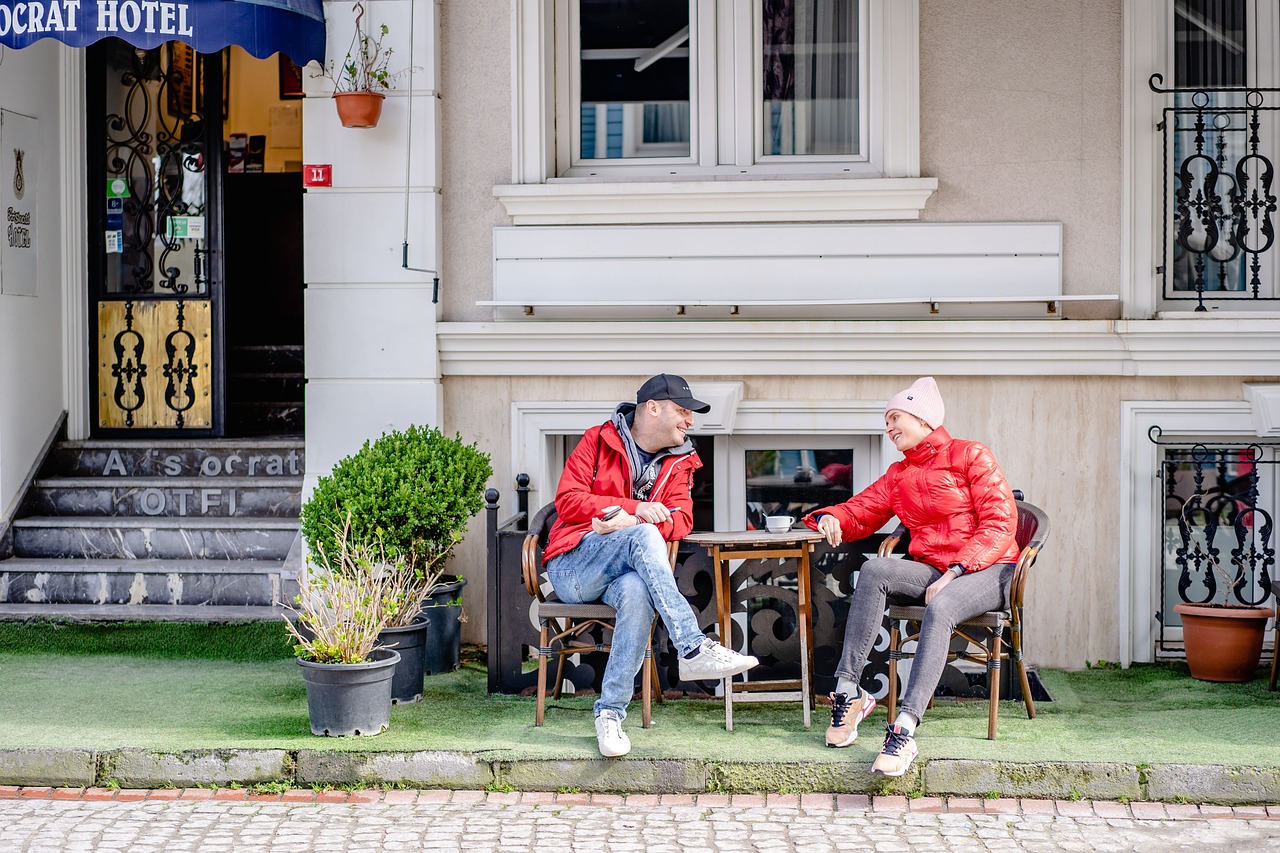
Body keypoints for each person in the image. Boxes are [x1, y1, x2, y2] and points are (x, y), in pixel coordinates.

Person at [802, 377, 1019, 777]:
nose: (888, 427)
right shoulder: (899, 474)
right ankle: (850, 692)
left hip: (990, 568)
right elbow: (862, 509)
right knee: (875, 568)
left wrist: (956, 571)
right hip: (936, 568)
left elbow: (1000, 523)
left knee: (942, 605)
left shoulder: (971, 454)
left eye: (895, 417)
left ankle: (904, 728)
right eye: (887, 420)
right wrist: (832, 517)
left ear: (922, 419)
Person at [544, 373, 759, 758]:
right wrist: (635, 511)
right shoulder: (597, 439)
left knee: (638, 589)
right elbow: (568, 501)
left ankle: (609, 715)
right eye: (683, 411)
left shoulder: (682, 463)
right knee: (645, 536)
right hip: (575, 566)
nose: (690, 421)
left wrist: (636, 522)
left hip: (622, 577)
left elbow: (682, 520)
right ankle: (692, 647)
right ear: (653, 408)